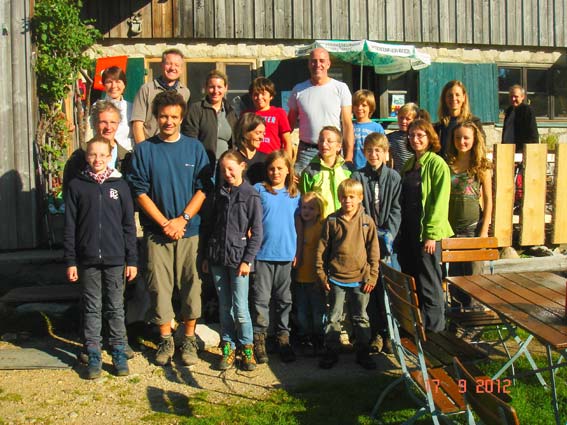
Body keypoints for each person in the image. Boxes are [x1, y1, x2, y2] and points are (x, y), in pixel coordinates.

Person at [127, 91, 211, 367]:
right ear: (155, 117)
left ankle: (188, 339)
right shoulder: (144, 150)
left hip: (189, 230)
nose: (168, 121)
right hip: (156, 232)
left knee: (191, 285)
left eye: (174, 116)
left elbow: (203, 189)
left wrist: (182, 219)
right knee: (159, 287)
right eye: (163, 116)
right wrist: (165, 222)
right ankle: (165, 338)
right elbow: (139, 191)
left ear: (182, 117)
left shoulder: (194, 148)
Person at [64, 136, 137, 379]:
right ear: (87, 156)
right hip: (87, 260)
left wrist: (132, 260)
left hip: (116, 259)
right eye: (93, 154)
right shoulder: (77, 186)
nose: (97, 159)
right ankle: (93, 352)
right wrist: (71, 261)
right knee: (92, 307)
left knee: (115, 306)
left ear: (110, 156)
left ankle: (117, 351)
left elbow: (128, 225)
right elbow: (70, 226)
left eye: (102, 155)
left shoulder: (120, 186)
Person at [202, 150, 263, 371]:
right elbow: (210, 227)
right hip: (218, 257)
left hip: (239, 260)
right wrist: (207, 256)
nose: (227, 173)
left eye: (231, 168)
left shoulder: (250, 195)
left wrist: (248, 260)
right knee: (224, 306)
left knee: (240, 307)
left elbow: (257, 233)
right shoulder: (219, 194)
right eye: (223, 169)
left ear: (242, 166)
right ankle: (228, 345)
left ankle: (246, 347)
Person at [316, 179, 380, 370]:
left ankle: (363, 352)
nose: (347, 201)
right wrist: (321, 274)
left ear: (360, 198)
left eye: (352, 197)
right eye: (343, 197)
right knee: (334, 317)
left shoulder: (367, 223)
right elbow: (322, 250)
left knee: (361, 317)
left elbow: (374, 253)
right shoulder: (332, 221)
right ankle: (331, 351)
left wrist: (373, 275)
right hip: (336, 278)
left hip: (361, 280)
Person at [399, 119, 454, 333]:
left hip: (427, 234)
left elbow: (440, 203)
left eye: (420, 135)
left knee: (429, 283)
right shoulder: (409, 164)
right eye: (412, 135)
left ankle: (435, 331)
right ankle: (417, 327)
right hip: (409, 232)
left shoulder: (437, 164)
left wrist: (431, 235)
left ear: (430, 138)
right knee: (413, 280)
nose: (415, 139)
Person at [352, 133, 402, 354]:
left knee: (389, 289)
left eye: (378, 151)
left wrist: (387, 234)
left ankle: (390, 333)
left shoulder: (393, 177)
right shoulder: (358, 176)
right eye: (370, 150)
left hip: (388, 242)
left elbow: (396, 210)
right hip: (366, 239)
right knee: (370, 287)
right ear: (364, 153)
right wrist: (369, 233)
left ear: (386, 153)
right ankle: (375, 335)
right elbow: (357, 208)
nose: (374, 154)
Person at [252, 151, 300, 364]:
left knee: (284, 300)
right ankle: (260, 337)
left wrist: (297, 251)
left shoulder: (295, 195)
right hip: (263, 254)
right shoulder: (260, 190)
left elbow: (299, 225)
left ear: (288, 170)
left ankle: (283, 337)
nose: (276, 172)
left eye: (280, 168)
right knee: (261, 299)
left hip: (286, 254)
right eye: (272, 168)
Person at [446, 121, 493, 306]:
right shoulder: (448, 164)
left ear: (474, 140)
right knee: (455, 278)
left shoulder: (481, 166)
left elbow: (489, 200)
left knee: (473, 278)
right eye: (458, 138)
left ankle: (474, 323)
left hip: (473, 230)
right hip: (451, 230)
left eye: (466, 138)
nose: (462, 142)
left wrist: (484, 232)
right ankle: (457, 321)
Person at [288, 48, 354, 173]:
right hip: (306, 152)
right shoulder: (298, 90)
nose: (318, 65)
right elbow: (288, 125)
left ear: (328, 64)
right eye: (314, 61)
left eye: (322, 61)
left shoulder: (340, 88)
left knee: (332, 190)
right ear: (309, 64)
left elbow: (347, 125)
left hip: (332, 150)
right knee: (300, 189)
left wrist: (349, 155)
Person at [63, 101, 131, 199]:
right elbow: (69, 193)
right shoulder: (79, 157)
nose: (108, 127)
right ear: (94, 124)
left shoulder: (126, 158)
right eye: (103, 122)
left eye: (113, 122)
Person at [131, 48, 190, 144]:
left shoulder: (185, 92)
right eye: (168, 64)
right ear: (161, 65)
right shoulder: (146, 89)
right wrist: (143, 150)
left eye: (177, 65)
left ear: (181, 69)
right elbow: (137, 124)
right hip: (151, 145)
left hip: (173, 146)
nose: (172, 68)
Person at [181, 69, 237, 169]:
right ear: (206, 88)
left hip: (226, 167)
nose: (216, 91)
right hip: (203, 165)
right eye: (211, 87)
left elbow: (235, 141)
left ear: (225, 88)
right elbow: (190, 139)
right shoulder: (196, 109)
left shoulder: (230, 112)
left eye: (219, 87)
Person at [293, 191, 326, 356]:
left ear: (319, 210)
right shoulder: (298, 225)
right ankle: (304, 338)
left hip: (315, 279)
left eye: (311, 208)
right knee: (302, 312)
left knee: (317, 312)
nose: (306, 211)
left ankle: (319, 339)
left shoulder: (321, 227)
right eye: (304, 207)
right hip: (299, 278)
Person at [300, 126, 351, 218]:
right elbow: (305, 201)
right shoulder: (310, 172)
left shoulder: (347, 170)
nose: (324, 144)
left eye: (329, 141)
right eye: (321, 140)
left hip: (344, 222)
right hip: (320, 224)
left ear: (339, 146)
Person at [434, 80, 484, 157]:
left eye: (457, 95)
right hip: (445, 167)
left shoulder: (474, 123)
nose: (454, 98)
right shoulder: (439, 127)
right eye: (450, 95)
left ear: (464, 97)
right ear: (444, 99)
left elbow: (481, 149)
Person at [247, 77, 293, 159]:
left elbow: (287, 142)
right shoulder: (247, 115)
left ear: (271, 96)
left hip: (273, 159)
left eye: (263, 94)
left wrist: (287, 165)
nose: (259, 97)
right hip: (252, 160)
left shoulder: (279, 113)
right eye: (256, 94)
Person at [95, 66, 133, 153]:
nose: (114, 86)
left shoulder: (131, 108)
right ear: (104, 86)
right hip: (102, 155)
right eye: (109, 82)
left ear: (124, 85)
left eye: (118, 81)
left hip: (126, 156)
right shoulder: (96, 106)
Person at [352, 89, 384, 170]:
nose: (359, 108)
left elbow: (383, 151)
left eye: (364, 105)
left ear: (370, 107)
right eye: (356, 105)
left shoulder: (377, 127)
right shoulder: (349, 126)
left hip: (371, 169)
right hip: (351, 168)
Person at [502, 84, 539, 152]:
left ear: (522, 97)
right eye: (511, 97)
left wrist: (532, 151)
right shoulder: (509, 111)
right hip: (507, 150)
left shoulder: (527, 110)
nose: (513, 99)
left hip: (521, 150)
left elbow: (533, 132)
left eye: (516, 97)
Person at [234, 113, 268, 185]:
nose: (262, 137)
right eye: (258, 133)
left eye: (263, 133)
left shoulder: (266, 160)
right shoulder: (232, 159)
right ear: (245, 132)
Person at [387, 102, 420, 173]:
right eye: (401, 118)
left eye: (408, 119)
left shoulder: (417, 138)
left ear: (414, 120)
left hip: (415, 175)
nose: (403, 121)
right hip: (398, 176)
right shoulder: (391, 137)